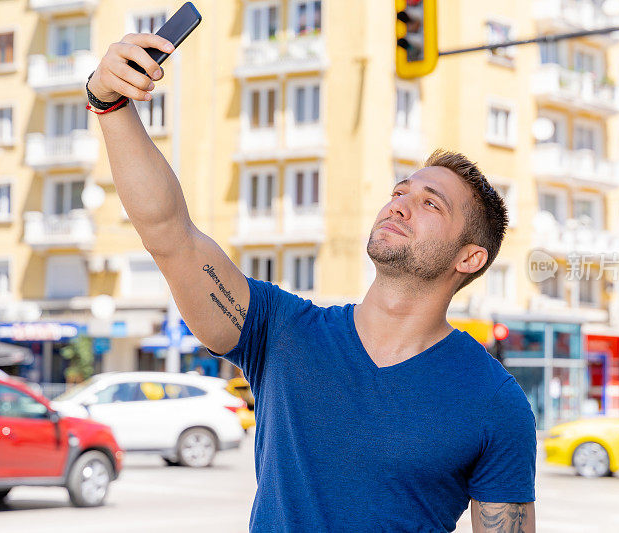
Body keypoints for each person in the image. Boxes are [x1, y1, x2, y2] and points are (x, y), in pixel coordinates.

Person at [87, 33, 536, 532]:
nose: (400, 203)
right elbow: (170, 234)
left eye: (432, 203)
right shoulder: (282, 333)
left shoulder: (494, 401)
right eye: (400, 190)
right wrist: (111, 104)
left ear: (470, 257)